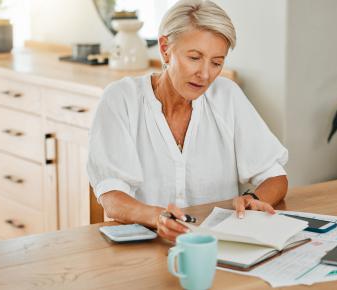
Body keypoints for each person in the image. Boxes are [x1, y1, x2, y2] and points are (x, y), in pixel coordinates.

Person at [87, 0, 288, 242]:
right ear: (165, 49)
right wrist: (157, 217)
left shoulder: (227, 96)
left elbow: (274, 175)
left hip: (216, 247)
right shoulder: (121, 99)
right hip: (144, 248)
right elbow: (111, 196)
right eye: (194, 57)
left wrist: (254, 200)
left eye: (216, 62)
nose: (205, 74)